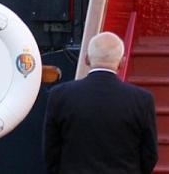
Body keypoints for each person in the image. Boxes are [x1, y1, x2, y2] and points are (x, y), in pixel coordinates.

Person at [43, 32, 158, 174]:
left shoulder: (59, 95)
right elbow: (149, 154)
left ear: (86, 59)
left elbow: (51, 150)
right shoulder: (142, 99)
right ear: (122, 62)